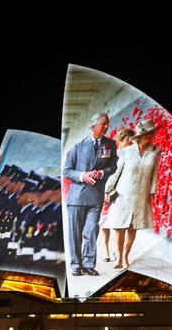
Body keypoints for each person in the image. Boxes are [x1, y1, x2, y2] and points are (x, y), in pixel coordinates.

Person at [63, 112, 118, 276]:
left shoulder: (110, 144)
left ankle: (88, 264)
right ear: (93, 126)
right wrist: (83, 176)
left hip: (96, 197)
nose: (106, 126)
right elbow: (66, 171)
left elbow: (113, 167)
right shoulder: (77, 147)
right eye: (103, 123)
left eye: (107, 123)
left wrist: (101, 173)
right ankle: (75, 264)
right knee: (75, 233)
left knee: (91, 231)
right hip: (76, 198)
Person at [105, 119, 161, 269]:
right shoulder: (126, 151)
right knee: (119, 226)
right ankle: (117, 258)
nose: (150, 137)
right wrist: (109, 188)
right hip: (124, 193)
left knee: (132, 227)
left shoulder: (156, 150)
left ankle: (125, 257)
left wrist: (152, 192)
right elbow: (117, 172)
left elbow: (154, 173)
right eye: (147, 134)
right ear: (139, 136)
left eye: (151, 134)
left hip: (141, 194)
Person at [99, 128, 135, 263]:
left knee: (116, 223)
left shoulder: (132, 155)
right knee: (104, 223)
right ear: (121, 141)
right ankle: (106, 250)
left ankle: (115, 251)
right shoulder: (112, 155)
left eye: (132, 140)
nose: (131, 142)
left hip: (121, 195)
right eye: (128, 140)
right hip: (107, 192)